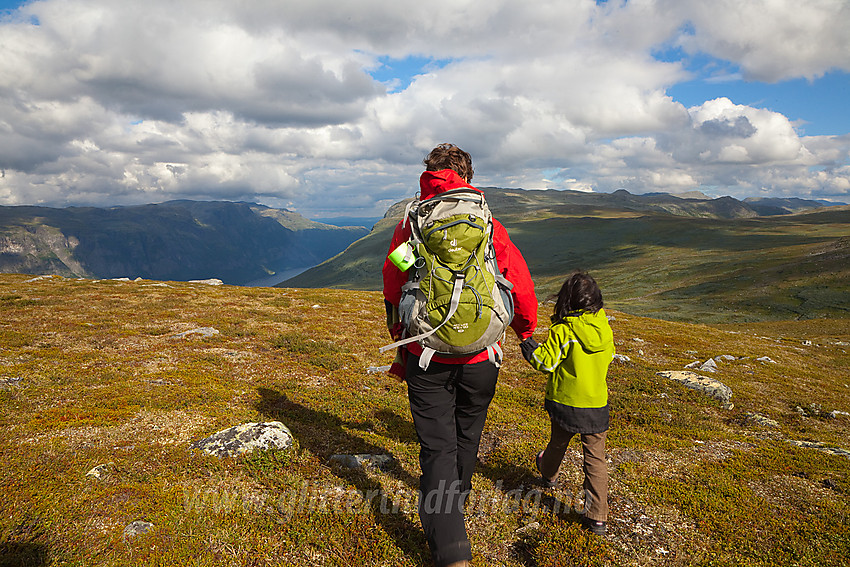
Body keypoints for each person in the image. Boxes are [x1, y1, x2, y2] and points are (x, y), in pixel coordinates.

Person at [382, 143, 538, 567]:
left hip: (426, 353)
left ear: (428, 175)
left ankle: (451, 548)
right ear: (466, 175)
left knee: (437, 449)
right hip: (482, 358)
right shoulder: (488, 224)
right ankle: (456, 505)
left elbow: (394, 281)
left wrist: (400, 332)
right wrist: (524, 330)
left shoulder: (412, 224)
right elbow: (517, 283)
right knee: (467, 436)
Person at [520, 271, 614, 536]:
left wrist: (530, 348)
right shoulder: (604, 327)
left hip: (566, 401)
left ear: (567, 300)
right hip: (596, 402)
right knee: (595, 459)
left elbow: (546, 362)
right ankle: (597, 517)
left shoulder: (564, 329)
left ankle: (548, 474)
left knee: (558, 443)